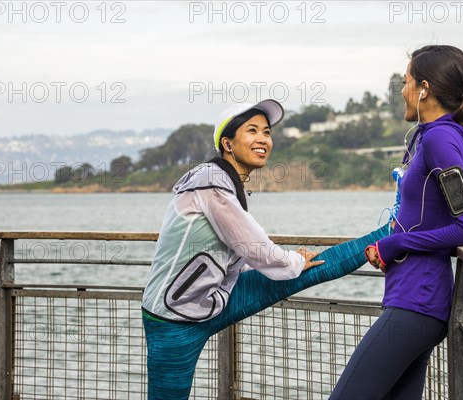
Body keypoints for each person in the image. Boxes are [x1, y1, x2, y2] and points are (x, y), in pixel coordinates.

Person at [141, 99, 392, 399]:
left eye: (267, 132)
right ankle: (391, 231)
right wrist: (291, 262)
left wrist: (294, 264)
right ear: (228, 143)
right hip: (173, 318)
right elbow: (256, 247)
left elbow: (237, 254)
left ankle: (391, 231)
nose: (263, 139)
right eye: (252, 131)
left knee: (311, 270)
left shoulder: (226, 184)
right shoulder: (211, 186)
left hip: (211, 302)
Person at [329, 45, 463, 399]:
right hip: (414, 299)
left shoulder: (440, 140)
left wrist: (397, 244)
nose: (402, 90)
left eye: (405, 82)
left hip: (417, 302)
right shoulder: (432, 137)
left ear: (424, 89)